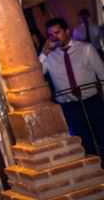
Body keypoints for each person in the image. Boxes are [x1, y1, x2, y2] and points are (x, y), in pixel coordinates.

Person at [39, 17, 104, 157]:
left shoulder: (85, 49)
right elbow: (37, 74)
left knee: (102, 135)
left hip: (92, 101)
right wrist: (44, 53)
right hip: (70, 107)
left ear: (67, 31)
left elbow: (102, 74)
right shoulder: (49, 56)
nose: (54, 37)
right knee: (84, 142)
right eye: (51, 35)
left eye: (58, 32)